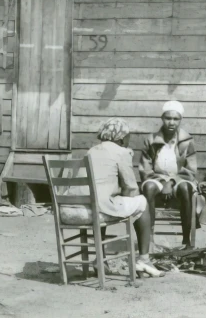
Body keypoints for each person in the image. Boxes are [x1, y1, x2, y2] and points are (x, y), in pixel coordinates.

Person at [59, 117, 164, 278]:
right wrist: (127, 201)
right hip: (93, 212)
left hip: (69, 211)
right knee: (141, 202)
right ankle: (144, 259)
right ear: (122, 138)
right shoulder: (121, 152)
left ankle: (100, 260)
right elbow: (131, 188)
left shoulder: (91, 151)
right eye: (128, 136)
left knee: (102, 201)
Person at [139, 100, 198, 248]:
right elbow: (145, 169)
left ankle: (186, 241)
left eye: (176, 119)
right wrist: (163, 182)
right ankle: (149, 239)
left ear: (181, 120)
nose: (171, 122)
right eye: (168, 118)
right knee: (149, 188)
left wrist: (171, 181)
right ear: (162, 118)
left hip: (180, 179)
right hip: (156, 178)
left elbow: (191, 170)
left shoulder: (186, 140)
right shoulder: (151, 140)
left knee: (185, 188)